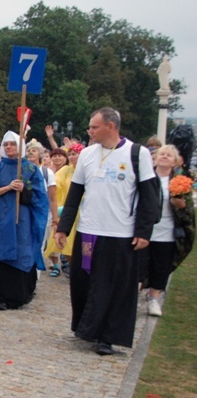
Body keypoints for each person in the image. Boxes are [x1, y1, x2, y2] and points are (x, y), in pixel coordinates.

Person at [54, 107, 159, 356]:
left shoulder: (137, 153)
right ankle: (86, 328)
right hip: (89, 230)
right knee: (84, 283)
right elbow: (75, 195)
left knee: (115, 287)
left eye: (94, 127)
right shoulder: (88, 155)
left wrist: (144, 231)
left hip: (120, 232)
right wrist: (64, 228)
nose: (89, 131)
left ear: (111, 126)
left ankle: (108, 336)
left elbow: (149, 196)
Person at [0, 131, 49, 310]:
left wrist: (23, 191)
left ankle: (19, 295)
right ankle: (1, 296)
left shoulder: (30, 169)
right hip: (2, 218)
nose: (9, 147)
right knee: (2, 251)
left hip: (23, 219)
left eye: (12, 144)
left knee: (21, 251)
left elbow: (40, 196)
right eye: (6, 144)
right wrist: (8, 187)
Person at [139, 144, 195, 317]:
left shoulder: (179, 182)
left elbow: (189, 211)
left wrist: (181, 206)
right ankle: (132, 296)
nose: (164, 157)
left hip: (167, 231)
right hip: (144, 230)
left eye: (168, 155)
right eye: (161, 154)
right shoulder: (145, 177)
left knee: (161, 266)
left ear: (175, 162)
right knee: (138, 265)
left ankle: (154, 298)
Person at [44, 143, 83, 277]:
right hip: (68, 210)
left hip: (84, 211)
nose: (72, 157)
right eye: (70, 154)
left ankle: (82, 269)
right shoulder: (65, 170)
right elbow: (54, 184)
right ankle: (74, 267)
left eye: (75, 154)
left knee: (81, 244)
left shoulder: (87, 169)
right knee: (65, 246)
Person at [26, 140, 59, 275]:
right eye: (28, 150)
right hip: (25, 212)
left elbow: (52, 198)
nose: (30, 152)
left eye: (33, 150)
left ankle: (34, 278)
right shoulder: (23, 170)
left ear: (40, 154)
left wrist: (55, 219)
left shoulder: (47, 173)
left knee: (38, 246)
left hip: (42, 215)